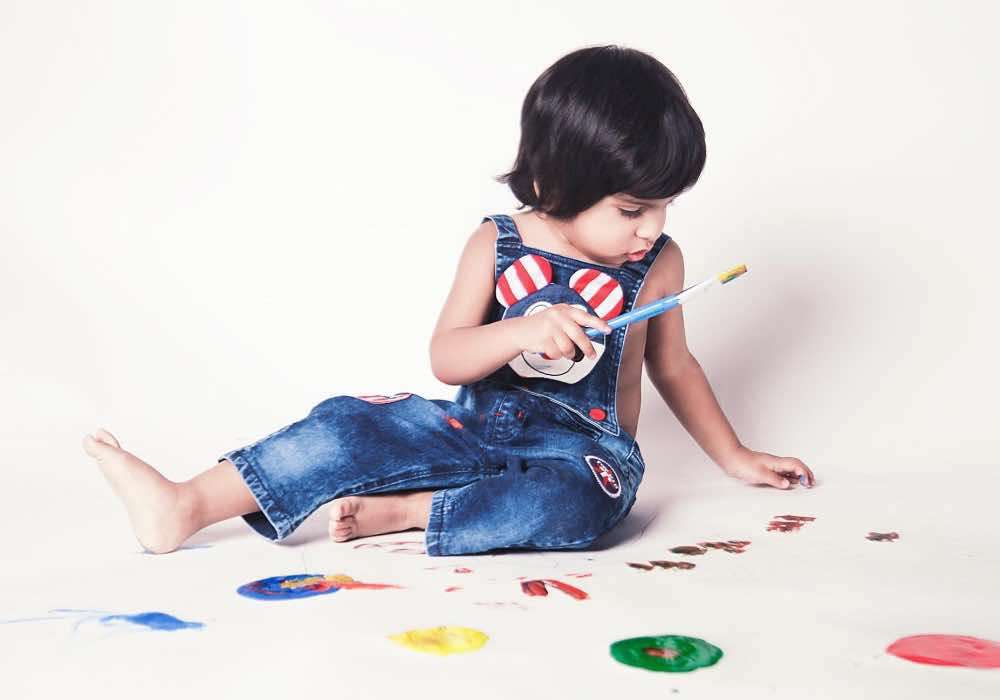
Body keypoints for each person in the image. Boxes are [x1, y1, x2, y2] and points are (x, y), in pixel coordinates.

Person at [82, 45, 815, 556]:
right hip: (470, 431)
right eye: (632, 209)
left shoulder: (658, 262)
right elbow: (448, 358)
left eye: (665, 207)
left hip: (583, 455)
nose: (652, 228)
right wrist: (520, 332)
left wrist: (735, 456)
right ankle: (186, 505)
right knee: (346, 426)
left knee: (579, 506)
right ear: (560, 183)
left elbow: (676, 367)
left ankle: (409, 513)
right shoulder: (496, 245)